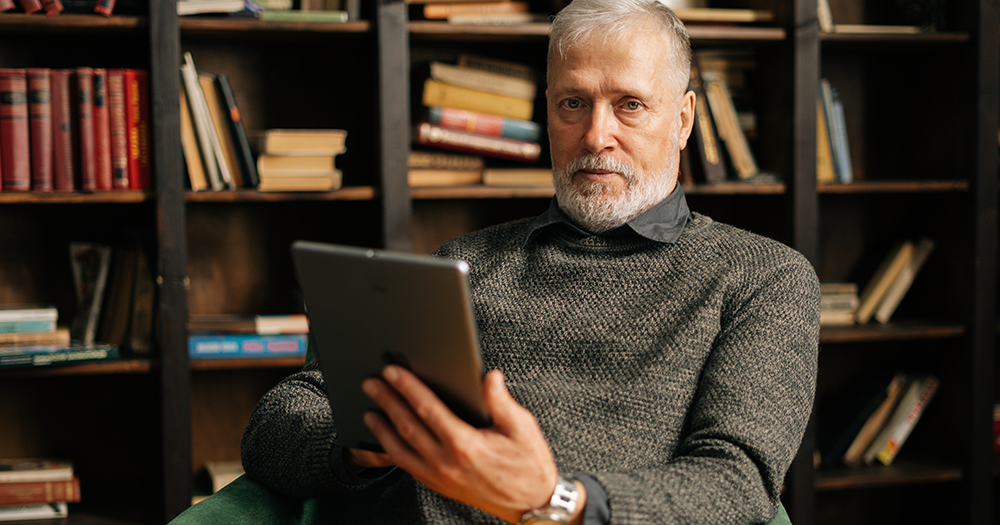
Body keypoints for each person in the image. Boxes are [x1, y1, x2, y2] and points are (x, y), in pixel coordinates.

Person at [240, 0, 820, 523]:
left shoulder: (763, 278)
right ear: (548, 113)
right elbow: (274, 427)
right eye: (574, 103)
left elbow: (735, 482)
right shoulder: (459, 267)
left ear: (685, 119)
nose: (596, 135)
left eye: (630, 106)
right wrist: (371, 440)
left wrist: (556, 498)